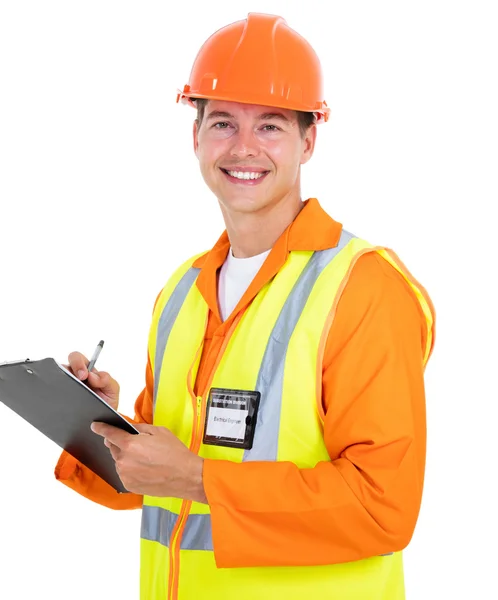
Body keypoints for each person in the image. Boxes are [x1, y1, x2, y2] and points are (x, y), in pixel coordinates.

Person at [55, 12, 435, 600]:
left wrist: (200, 479)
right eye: (224, 122)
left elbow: (383, 507)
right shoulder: (182, 291)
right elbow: (153, 483)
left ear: (309, 140)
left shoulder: (362, 288)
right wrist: (96, 426)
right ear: (197, 136)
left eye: (272, 126)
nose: (244, 148)